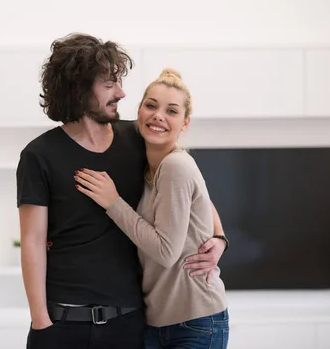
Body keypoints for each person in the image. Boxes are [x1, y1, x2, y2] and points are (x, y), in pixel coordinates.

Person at [16, 33, 228, 349]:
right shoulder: (39, 155)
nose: (121, 92)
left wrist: (219, 237)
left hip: (129, 325)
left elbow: (192, 190)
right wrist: (41, 321)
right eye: (109, 84)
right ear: (79, 89)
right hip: (62, 324)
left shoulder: (136, 138)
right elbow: (32, 241)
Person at [75, 67, 229, 348]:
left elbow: (166, 252)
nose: (159, 115)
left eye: (172, 111)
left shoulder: (175, 165)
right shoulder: (145, 161)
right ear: (139, 111)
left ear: (185, 123)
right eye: (151, 105)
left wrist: (113, 202)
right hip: (156, 322)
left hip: (193, 323)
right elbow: (202, 201)